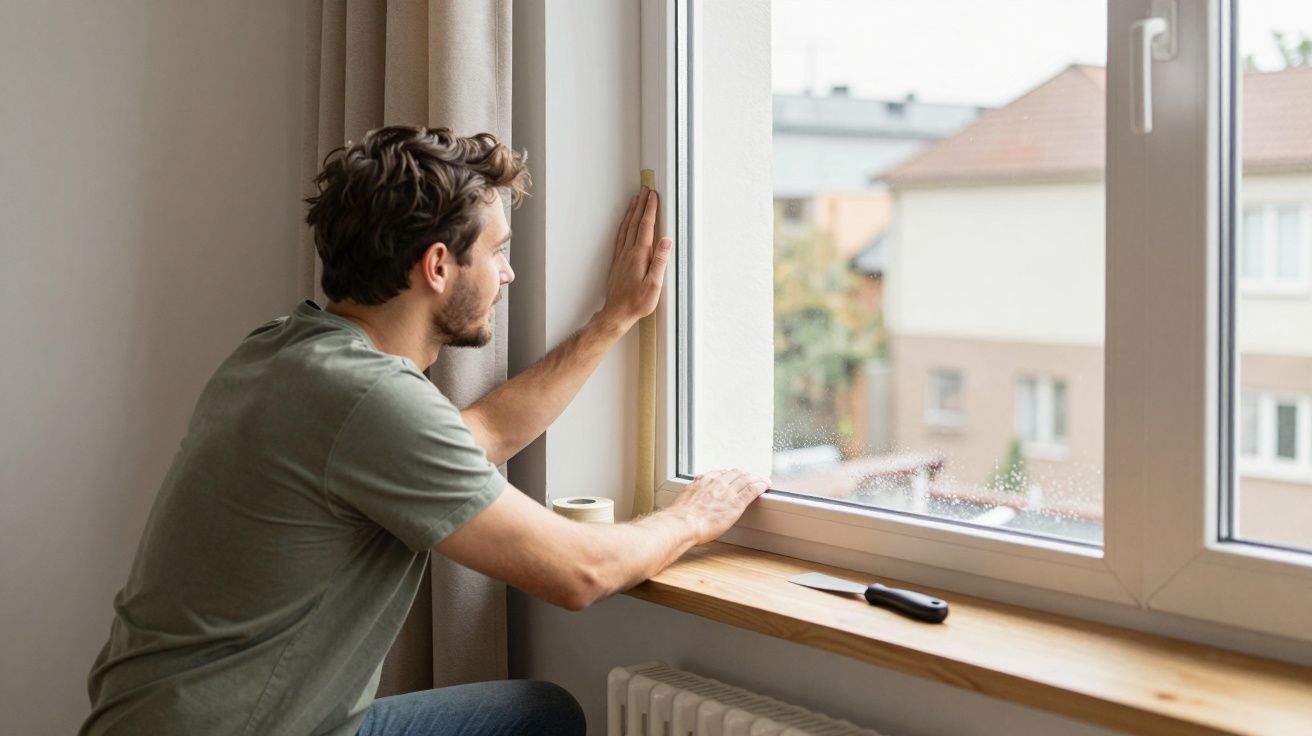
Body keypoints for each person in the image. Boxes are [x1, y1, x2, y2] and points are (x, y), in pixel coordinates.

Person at [80, 125, 770, 736]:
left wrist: (614, 320)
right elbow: (578, 573)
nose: (509, 273)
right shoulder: (368, 398)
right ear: (438, 266)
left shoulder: (287, 351)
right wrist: (693, 517)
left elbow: (479, 434)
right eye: (496, 251)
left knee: (536, 715)